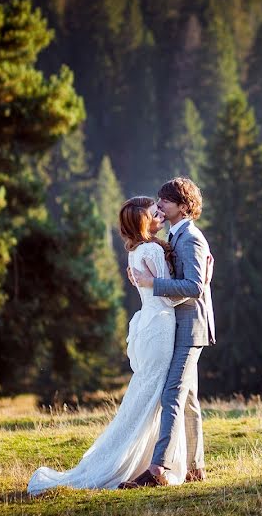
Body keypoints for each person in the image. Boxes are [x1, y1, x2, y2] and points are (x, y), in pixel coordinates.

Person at [27, 194, 202, 494]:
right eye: (153, 213)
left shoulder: (139, 250)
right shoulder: (152, 251)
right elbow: (172, 296)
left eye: (160, 210)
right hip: (160, 326)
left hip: (151, 326)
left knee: (149, 395)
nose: (159, 215)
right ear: (143, 222)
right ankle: (147, 465)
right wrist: (204, 280)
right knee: (156, 397)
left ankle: (155, 462)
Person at [120, 177, 215, 487]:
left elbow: (194, 287)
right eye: (159, 200)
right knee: (187, 398)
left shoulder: (190, 238)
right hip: (178, 325)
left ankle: (158, 468)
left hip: (190, 327)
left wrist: (152, 283)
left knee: (172, 392)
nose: (159, 205)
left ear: (184, 206)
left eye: (166, 201)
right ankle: (196, 467)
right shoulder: (175, 236)